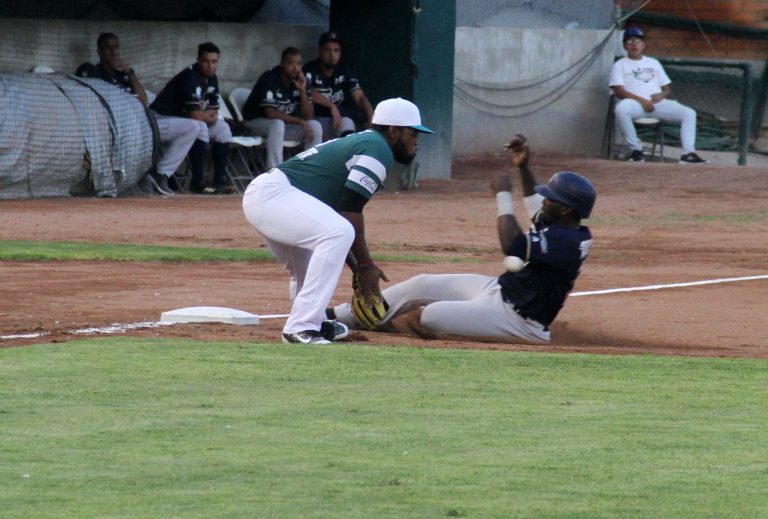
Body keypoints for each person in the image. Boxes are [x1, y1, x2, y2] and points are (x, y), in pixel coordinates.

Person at [329, 134, 595, 344]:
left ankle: (389, 325)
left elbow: (512, 245)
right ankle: (341, 316)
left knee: (427, 317)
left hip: (518, 320)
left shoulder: (567, 242)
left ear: (565, 209)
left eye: (552, 197)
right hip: (499, 289)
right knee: (421, 284)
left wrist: (502, 195)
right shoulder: (562, 221)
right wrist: (523, 167)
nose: (545, 199)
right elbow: (535, 204)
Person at [242, 98, 433, 345]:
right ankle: (301, 328)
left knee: (308, 261)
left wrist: (359, 270)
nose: (417, 139)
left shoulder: (366, 142)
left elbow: (340, 212)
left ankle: (315, 321)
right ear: (393, 131)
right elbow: (350, 212)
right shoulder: (378, 149)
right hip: (274, 196)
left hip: (273, 197)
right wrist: (365, 266)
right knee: (339, 232)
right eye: (412, 133)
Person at [610, 27, 707, 164]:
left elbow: (667, 89)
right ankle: (636, 151)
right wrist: (642, 101)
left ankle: (688, 154)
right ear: (625, 46)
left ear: (643, 45)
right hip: (634, 103)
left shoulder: (653, 63)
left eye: (637, 41)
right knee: (621, 109)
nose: (634, 45)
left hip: (657, 104)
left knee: (689, 113)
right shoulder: (620, 65)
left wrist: (660, 96)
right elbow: (619, 91)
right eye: (630, 41)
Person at [149, 42, 233, 195]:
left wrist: (206, 116)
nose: (210, 66)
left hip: (181, 122)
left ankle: (220, 180)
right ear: (198, 60)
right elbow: (196, 115)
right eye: (206, 61)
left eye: (214, 62)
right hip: (158, 122)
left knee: (223, 129)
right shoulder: (189, 76)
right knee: (196, 126)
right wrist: (209, 117)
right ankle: (162, 174)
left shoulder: (212, 78)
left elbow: (214, 108)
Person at [242, 47, 322, 169]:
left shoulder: (301, 82)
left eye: (298, 64)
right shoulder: (270, 78)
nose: (295, 68)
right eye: (290, 63)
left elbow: (309, 116)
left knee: (314, 125)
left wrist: (302, 91)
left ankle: (309, 171)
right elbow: (271, 113)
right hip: (255, 123)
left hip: (283, 128)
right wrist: (300, 121)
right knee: (277, 124)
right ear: (282, 64)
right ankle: (275, 171)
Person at [303, 31, 374, 140]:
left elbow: (360, 97)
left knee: (347, 122)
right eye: (327, 50)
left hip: (336, 120)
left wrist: (371, 117)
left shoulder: (344, 71)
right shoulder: (310, 70)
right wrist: (332, 106)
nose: (332, 55)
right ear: (320, 51)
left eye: (336, 50)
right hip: (315, 120)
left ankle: (347, 155)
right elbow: (308, 91)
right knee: (316, 125)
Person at [76, 32, 149, 107]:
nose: (114, 52)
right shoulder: (94, 73)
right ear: (99, 51)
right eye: (108, 48)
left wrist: (130, 72)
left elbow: (144, 102)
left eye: (116, 47)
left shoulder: (123, 75)